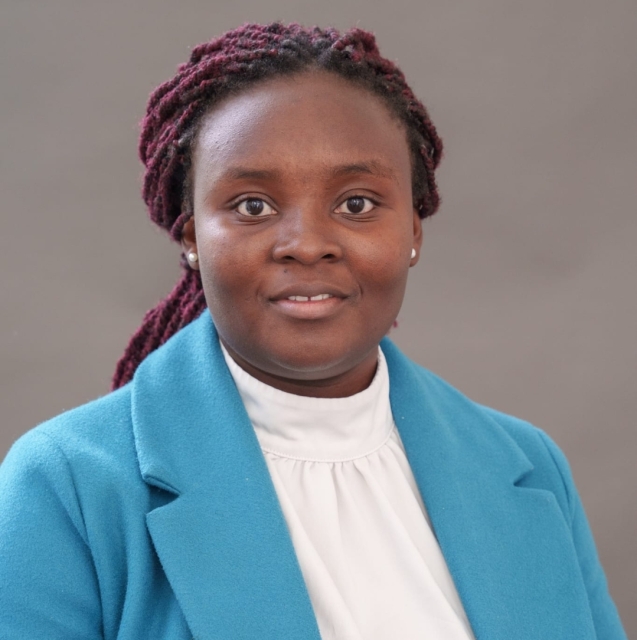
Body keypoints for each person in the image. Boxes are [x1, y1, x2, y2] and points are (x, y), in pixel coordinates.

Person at [0, 22, 627, 640]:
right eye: (253, 206)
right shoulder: (68, 485)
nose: (306, 245)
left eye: (357, 204)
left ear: (413, 231)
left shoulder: (529, 466)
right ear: (192, 237)